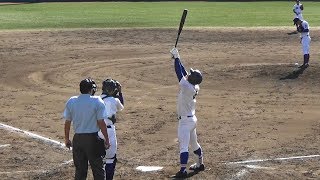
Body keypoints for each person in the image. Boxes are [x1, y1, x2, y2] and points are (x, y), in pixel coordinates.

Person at [63, 78, 110, 180]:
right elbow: (101, 123)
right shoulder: (97, 100)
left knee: (80, 171)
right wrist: (106, 138)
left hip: (78, 139)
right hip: (92, 140)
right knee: (98, 170)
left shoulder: (72, 101)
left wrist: (67, 139)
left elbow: (67, 122)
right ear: (91, 89)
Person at [170, 48, 205, 178]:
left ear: (191, 79)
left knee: (184, 147)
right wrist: (177, 57)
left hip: (185, 122)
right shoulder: (195, 86)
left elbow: (179, 73)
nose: (188, 75)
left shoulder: (186, 86)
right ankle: (200, 164)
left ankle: (183, 171)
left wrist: (176, 59)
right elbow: (184, 73)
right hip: (192, 120)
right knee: (194, 144)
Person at [98, 78, 124, 180]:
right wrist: (120, 93)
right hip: (109, 132)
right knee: (110, 159)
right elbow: (121, 106)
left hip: (97, 132)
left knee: (99, 159)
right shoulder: (115, 100)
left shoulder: (96, 99)